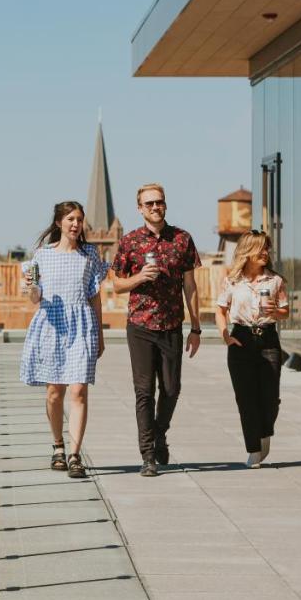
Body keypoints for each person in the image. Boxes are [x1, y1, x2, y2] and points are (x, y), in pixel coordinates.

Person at [111, 183, 202, 477]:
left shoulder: (182, 239)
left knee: (172, 389)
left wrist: (196, 327)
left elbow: (190, 286)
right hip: (140, 326)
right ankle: (148, 454)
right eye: (149, 204)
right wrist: (138, 277)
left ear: (165, 205)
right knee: (144, 392)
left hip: (172, 325)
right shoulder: (129, 242)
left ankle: (160, 432)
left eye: (158, 202)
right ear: (140, 208)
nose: (155, 207)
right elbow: (116, 284)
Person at [20, 201, 108, 479]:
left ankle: (74, 454)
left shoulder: (90, 254)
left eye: (79, 219)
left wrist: (100, 334)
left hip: (82, 325)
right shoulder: (41, 256)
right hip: (51, 325)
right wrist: (31, 288)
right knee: (54, 393)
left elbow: (95, 295)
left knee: (79, 390)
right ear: (59, 223)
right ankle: (57, 445)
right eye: (70, 219)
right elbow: (35, 298)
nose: (75, 224)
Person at [215, 231, 290, 468]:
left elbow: (285, 312)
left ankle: (265, 431)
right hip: (241, 338)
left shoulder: (275, 280)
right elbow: (220, 309)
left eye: (267, 248)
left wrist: (274, 312)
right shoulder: (232, 280)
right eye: (261, 249)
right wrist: (226, 336)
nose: (266, 253)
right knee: (245, 398)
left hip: (268, 339)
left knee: (270, 398)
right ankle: (254, 449)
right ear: (248, 252)